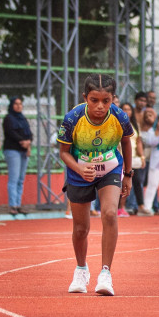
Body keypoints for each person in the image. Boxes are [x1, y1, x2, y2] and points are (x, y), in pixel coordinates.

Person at [57, 74, 134, 296]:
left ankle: (106, 273)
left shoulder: (119, 117)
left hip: (109, 169)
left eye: (106, 101)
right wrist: (80, 169)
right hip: (79, 172)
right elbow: (63, 153)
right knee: (81, 228)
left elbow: (126, 142)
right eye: (94, 100)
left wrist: (128, 174)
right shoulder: (73, 118)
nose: (100, 106)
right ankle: (81, 269)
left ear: (113, 99)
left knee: (110, 214)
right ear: (85, 98)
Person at [2, 95, 32, 213]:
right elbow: (11, 133)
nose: (19, 106)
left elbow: (29, 133)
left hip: (24, 151)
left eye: (20, 104)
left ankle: (18, 204)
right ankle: (12, 205)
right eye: (16, 104)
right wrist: (22, 142)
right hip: (12, 150)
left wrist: (28, 142)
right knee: (14, 178)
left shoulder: (23, 119)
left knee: (20, 179)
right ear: (11, 105)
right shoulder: (8, 118)